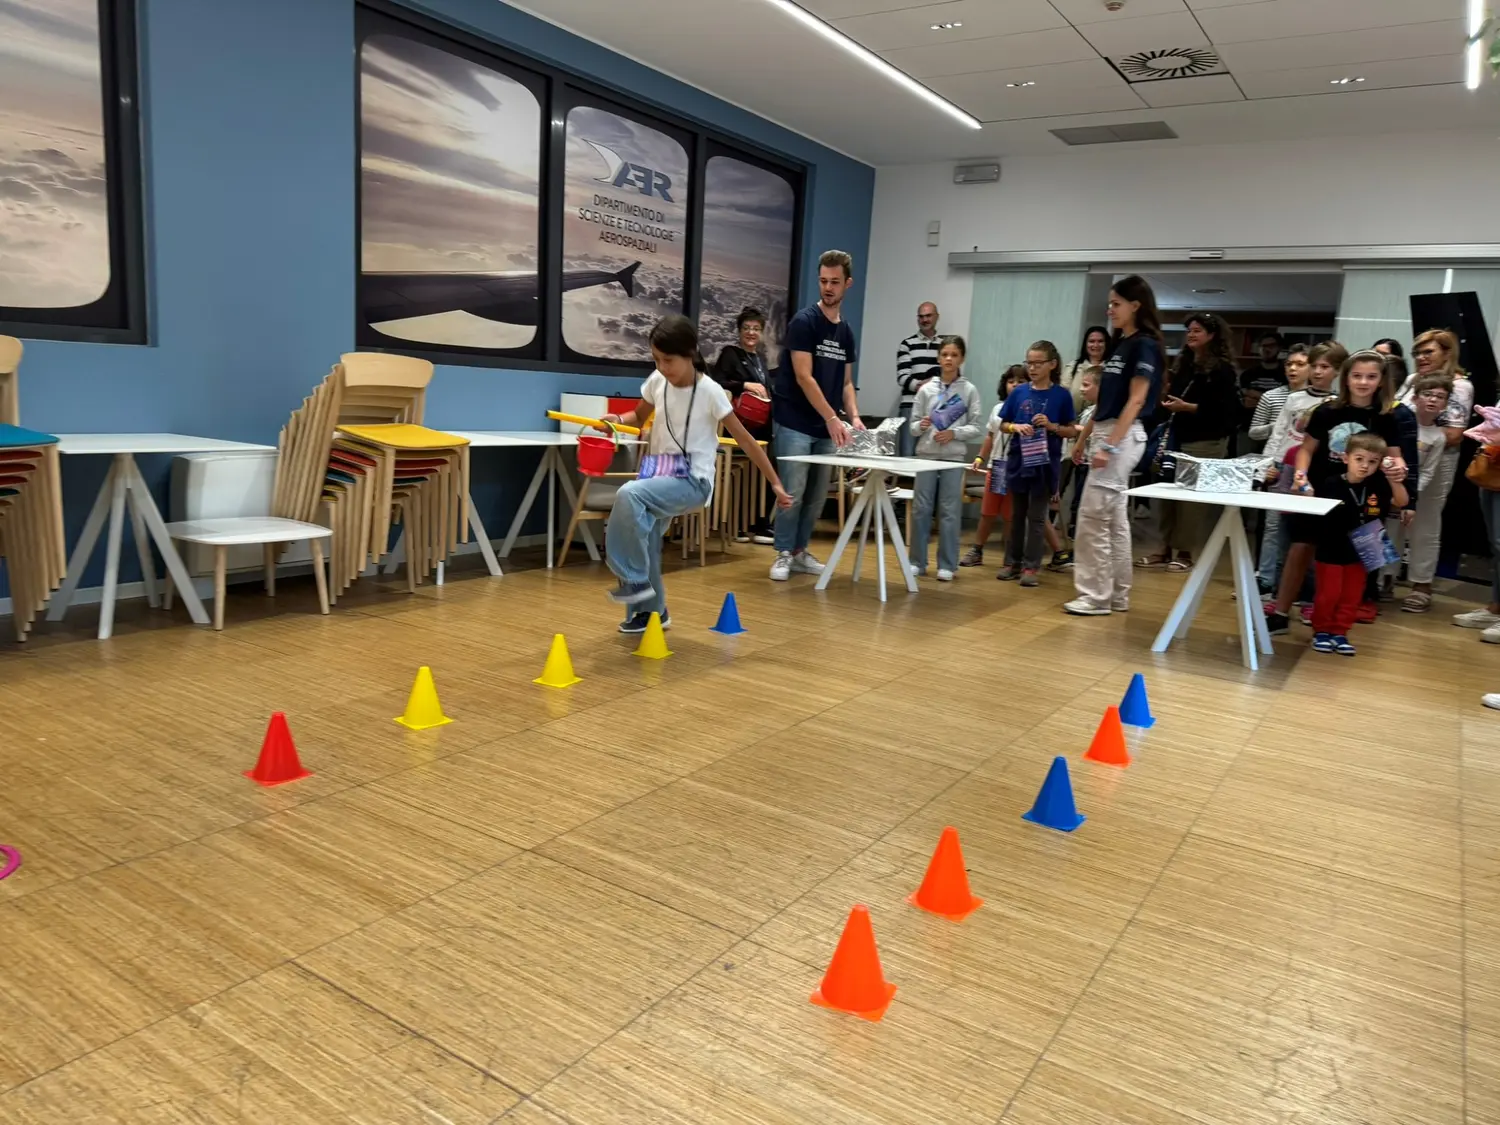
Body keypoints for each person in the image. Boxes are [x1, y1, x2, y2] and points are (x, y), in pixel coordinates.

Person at [598, 316, 792, 632]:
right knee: (646, 538)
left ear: (689, 353)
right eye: (656, 359)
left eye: (668, 360)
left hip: (693, 481)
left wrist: (775, 483)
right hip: (658, 473)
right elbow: (637, 416)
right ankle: (653, 613)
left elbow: (745, 440)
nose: (662, 367)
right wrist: (616, 420)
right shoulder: (657, 381)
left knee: (628, 494)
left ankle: (633, 580)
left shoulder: (710, 391)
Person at [1265, 348, 1406, 636]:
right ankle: (1281, 612)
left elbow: (1395, 456)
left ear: (1381, 380)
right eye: (1357, 376)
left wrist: (1398, 469)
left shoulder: (1388, 415)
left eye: (1371, 377)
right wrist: (1301, 477)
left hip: (1367, 496)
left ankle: (1340, 623)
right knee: (1301, 548)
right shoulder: (1327, 410)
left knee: (1363, 558)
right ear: (1346, 378)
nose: (1363, 382)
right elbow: (1306, 450)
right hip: (1322, 491)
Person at [1064, 275, 1165, 617]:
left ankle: (1095, 596)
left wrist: (1110, 445)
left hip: (1123, 435)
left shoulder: (1144, 345)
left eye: (1116, 304)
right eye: (1109, 303)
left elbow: (1136, 400)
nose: (1110, 309)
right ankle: (1118, 594)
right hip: (1107, 431)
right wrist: (1084, 439)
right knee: (1114, 522)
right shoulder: (1122, 344)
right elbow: (1106, 400)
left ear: (1136, 306)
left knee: (1093, 518)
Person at [769, 249, 864, 582]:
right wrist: (832, 418)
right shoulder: (804, 322)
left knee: (817, 495)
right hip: (795, 420)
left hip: (826, 425)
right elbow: (803, 376)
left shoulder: (846, 332)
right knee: (793, 491)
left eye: (835, 282)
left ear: (847, 284)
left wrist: (854, 417)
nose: (828, 288)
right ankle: (783, 552)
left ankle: (799, 551)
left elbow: (847, 383)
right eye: (823, 281)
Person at [1144, 311, 1240, 570]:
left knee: (1190, 501)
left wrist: (1187, 407)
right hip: (1176, 436)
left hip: (1205, 440)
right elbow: (1172, 398)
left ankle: (1184, 553)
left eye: (1197, 330)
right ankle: (1163, 548)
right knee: (1166, 492)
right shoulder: (1184, 364)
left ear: (1212, 335)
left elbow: (1225, 413)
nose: (1191, 335)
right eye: (1189, 330)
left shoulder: (1222, 370)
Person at [1309, 430, 1408, 656]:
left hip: (1367, 545)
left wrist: (1394, 480)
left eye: (1373, 462)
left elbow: (1401, 501)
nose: (1365, 466)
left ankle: (1340, 632)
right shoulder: (1332, 483)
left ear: (1380, 464)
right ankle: (1321, 630)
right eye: (1359, 459)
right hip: (1333, 546)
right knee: (1329, 593)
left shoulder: (1379, 485)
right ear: (1346, 458)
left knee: (1353, 595)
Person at [1256, 342, 1339, 594]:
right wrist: (1267, 466)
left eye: (1325, 367)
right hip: (1284, 467)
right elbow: (1279, 434)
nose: (1318, 371)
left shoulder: (1336, 403)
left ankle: (1303, 587)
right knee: (1274, 527)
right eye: (1314, 366)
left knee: (1307, 532)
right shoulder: (1293, 399)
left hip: (1314, 470)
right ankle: (1266, 579)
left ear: (1337, 370)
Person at [996, 341, 1077, 587]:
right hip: (1019, 460)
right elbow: (1002, 424)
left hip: (1045, 463)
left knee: (1037, 517)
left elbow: (1071, 430)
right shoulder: (1019, 392)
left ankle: (1031, 566)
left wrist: (1052, 426)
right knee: (1016, 514)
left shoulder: (1061, 395)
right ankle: (1012, 562)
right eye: (1029, 363)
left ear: (1052, 364)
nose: (1032, 368)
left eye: (1038, 363)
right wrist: (1016, 427)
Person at [908, 335, 982, 580]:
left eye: (954, 355)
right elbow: (913, 427)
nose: (949, 359)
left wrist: (954, 433)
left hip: (953, 458)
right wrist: (921, 425)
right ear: (939, 358)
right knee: (921, 509)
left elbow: (976, 427)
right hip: (926, 456)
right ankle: (917, 562)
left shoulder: (969, 390)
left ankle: (947, 565)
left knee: (950, 510)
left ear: (962, 358)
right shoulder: (926, 390)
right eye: (945, 354)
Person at [1390, 375, 1453, 612]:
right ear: (1415, 398)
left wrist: (1410, 495)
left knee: (1423, 532)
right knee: (1388, 532)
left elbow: (1427, 472)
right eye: (1428, 394)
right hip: (1390, 489)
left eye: (1440, 397)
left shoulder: (1438, 436)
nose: (1433, 400)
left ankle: (1421, 584)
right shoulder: (1398, 425)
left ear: (1445, 404)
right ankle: (1384, 579)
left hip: (1414, 493)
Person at [712, 306, 775, 544]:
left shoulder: (760, 359)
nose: (751, 333)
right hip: (738, 425)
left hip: (761, 425)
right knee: (739, 474)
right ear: (739, 331)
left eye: (756, 329)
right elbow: (716, 382)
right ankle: (736, 525)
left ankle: (758, 523)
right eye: (746, 328)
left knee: (762, 473)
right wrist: (745, 385)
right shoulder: (730, 354)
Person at [960, 365, 1026, 568]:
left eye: (1020, 382)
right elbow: (990, 436)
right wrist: (980, 457)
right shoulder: (998, 409)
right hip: (997, 466)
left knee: (1010, 515)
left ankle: (1010, 555)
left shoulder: (1028, 408)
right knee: (987, 512)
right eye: (1011, 381)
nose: (1015, 385)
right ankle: (977, 550)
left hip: (1016, 468)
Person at [896, 302, 942, 458]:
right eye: (921, 317)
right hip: (910, 406)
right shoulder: (907, 344)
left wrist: (930, 385)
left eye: (928, 316)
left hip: (937, 408)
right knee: (907, 455)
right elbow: (902, 377)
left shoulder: (945, 346)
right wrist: (925, 387)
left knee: (931, 455)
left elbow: (948, 377)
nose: (924, 320)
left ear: (937, 317)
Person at [1237, 331, 1288, 451]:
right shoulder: (1248, 374)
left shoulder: (1286, 374)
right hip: (1247, 427)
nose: (1266, 349)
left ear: (1279, 348)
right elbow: (1244, 400)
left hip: (1276, 430)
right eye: (1263, 346)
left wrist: (1258, 397)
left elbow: (1286, 401)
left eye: (1271, 346)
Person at [1062, 325, 1108, 414]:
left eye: (1100, 341)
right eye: (1091, 341)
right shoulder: (1072, 368)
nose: (1096, 345)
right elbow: (1062, 396)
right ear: (1085, 344)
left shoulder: (1112, 369)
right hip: (1072, 420)